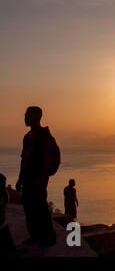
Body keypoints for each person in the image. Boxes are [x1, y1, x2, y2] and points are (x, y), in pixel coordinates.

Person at [16, 106, 56, 247]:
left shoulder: (44, 136)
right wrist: (20, 179)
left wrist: (42, 178)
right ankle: (34, 236)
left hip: (38, 179)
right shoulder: (27, 137)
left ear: (36, 117)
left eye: (28, 115)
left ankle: (48, 237)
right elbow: (24, 159)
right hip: (27, 178)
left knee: (40, 209)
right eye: (25, 115)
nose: (25, 118)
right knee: (29, 208)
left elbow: (47, 157)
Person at [0, 173, 16, 256]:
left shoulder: (5, 194)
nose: (5, 185)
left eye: (4, 183)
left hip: (2, 223)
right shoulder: (5, 194)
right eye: (3, 183)